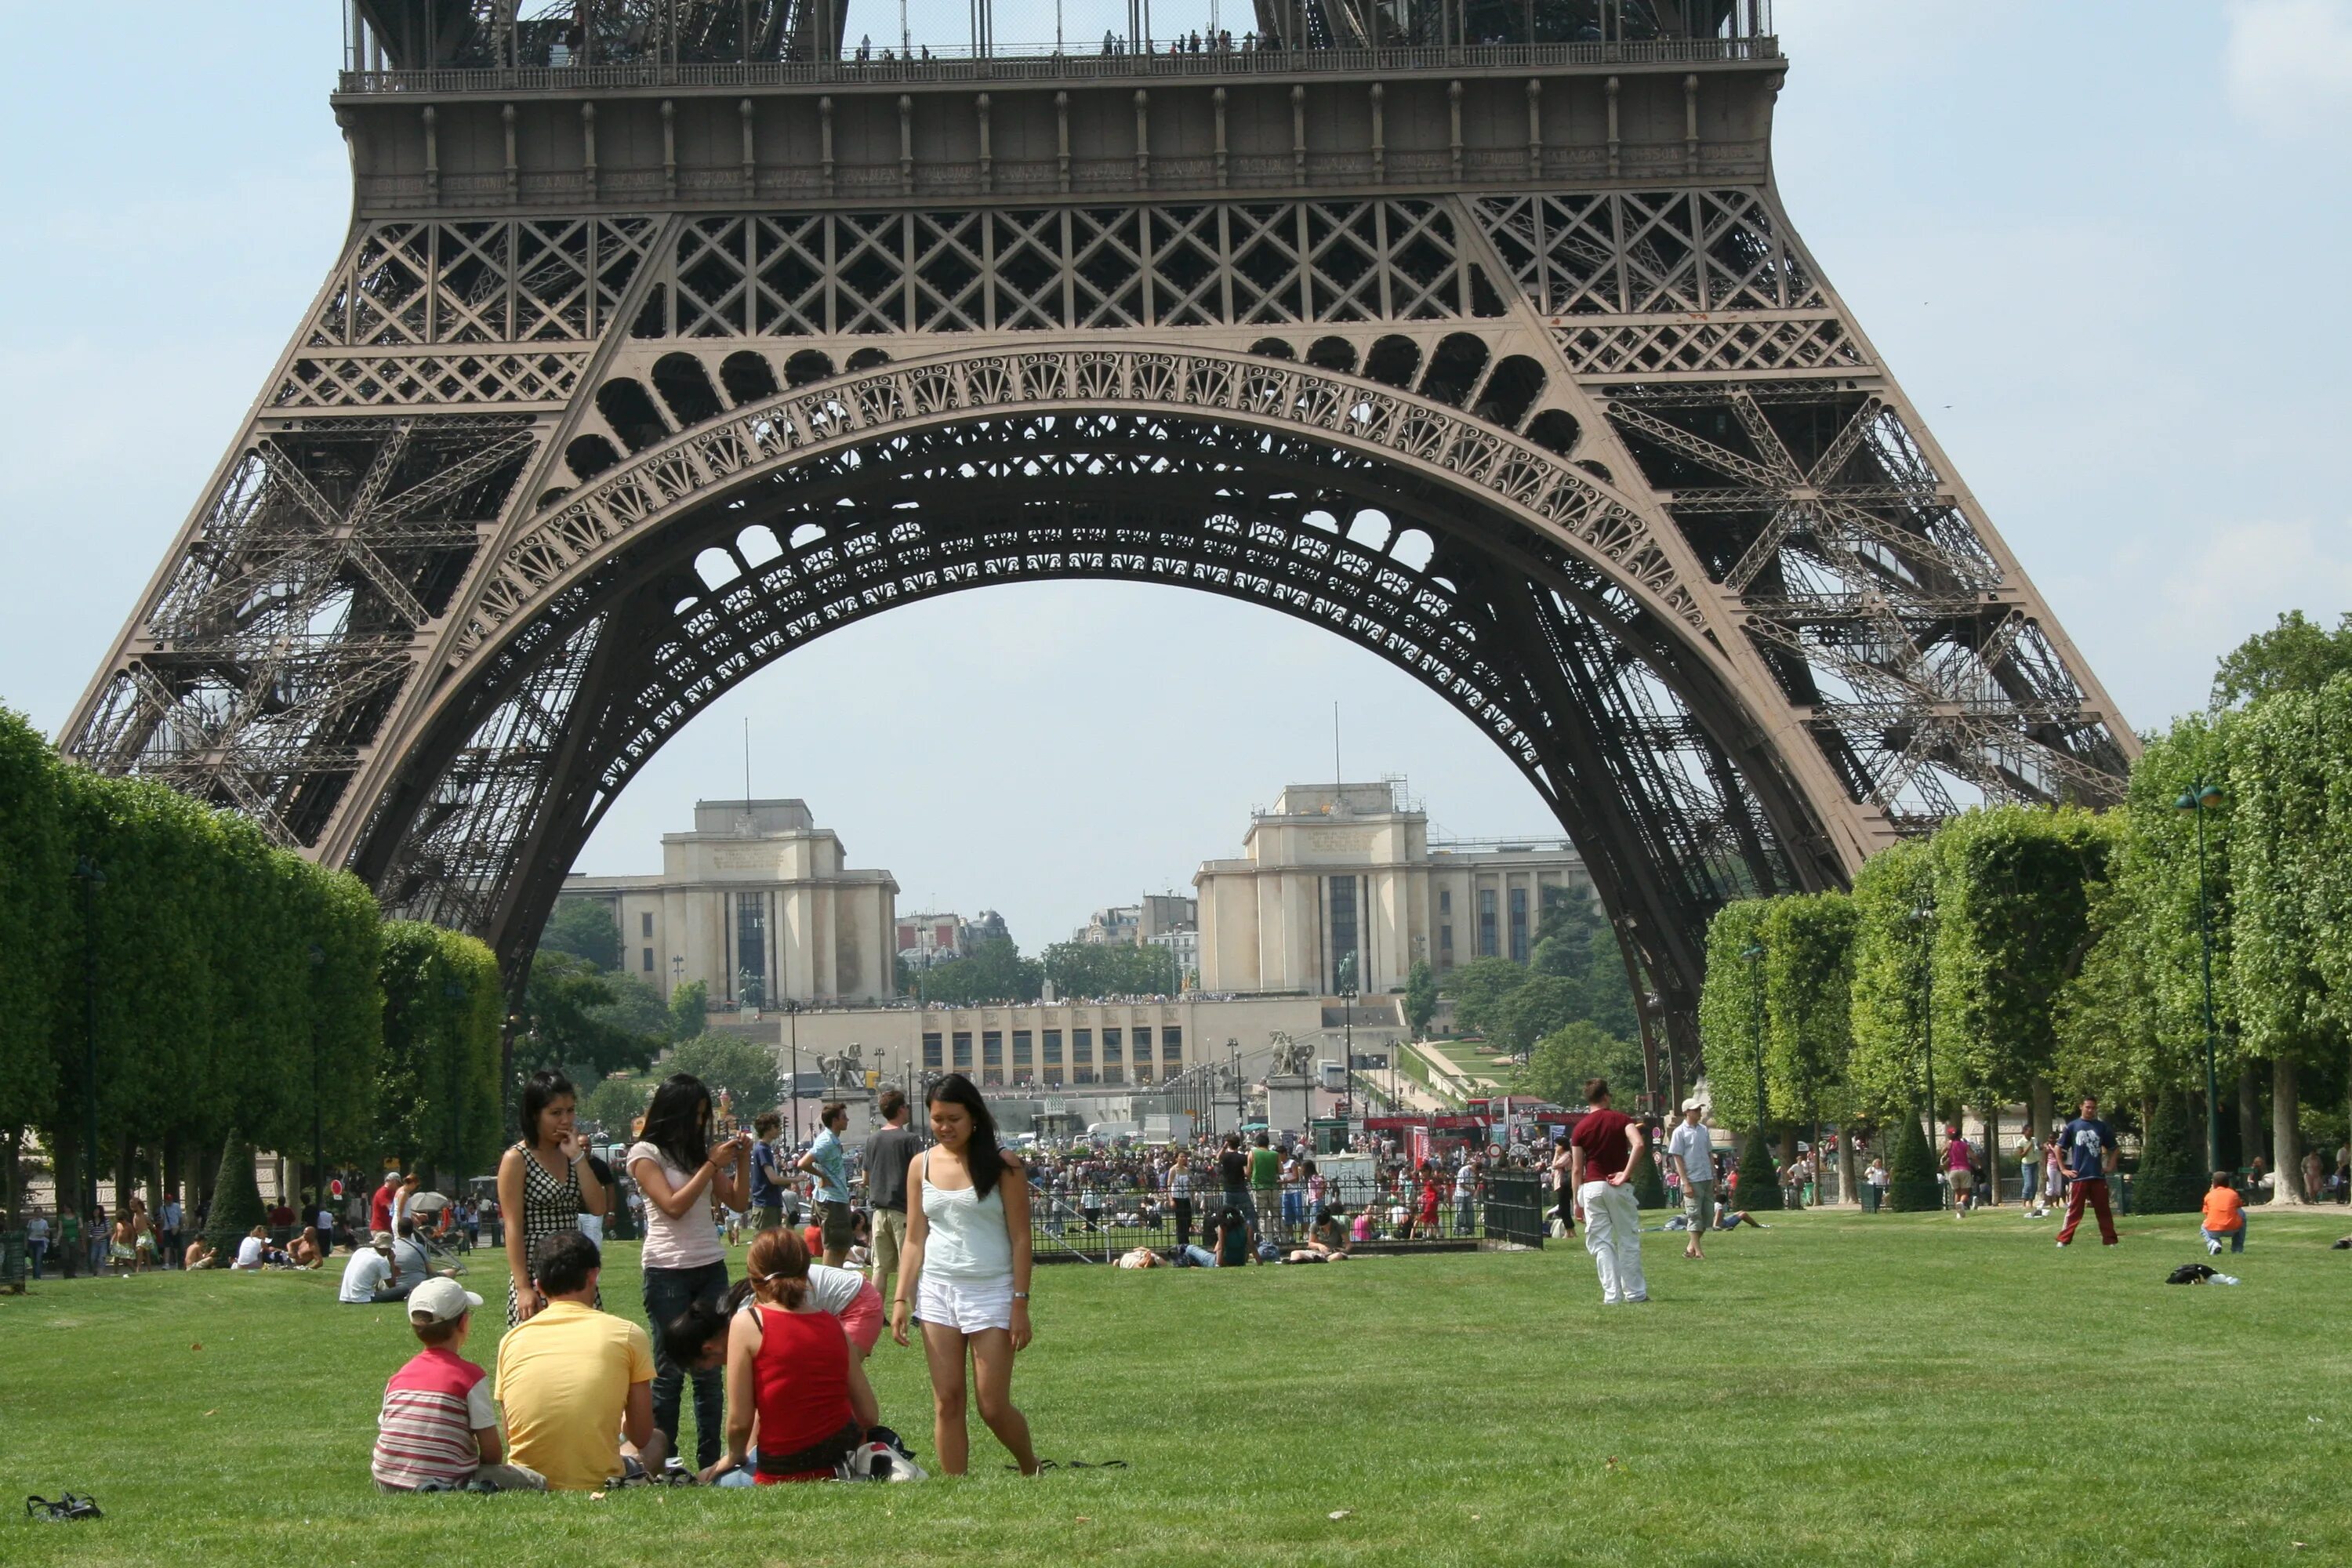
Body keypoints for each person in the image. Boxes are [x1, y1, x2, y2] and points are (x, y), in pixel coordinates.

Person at [887, 1073, 1040, 1476]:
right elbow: (915, 1238)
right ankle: (956, 1487)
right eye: (937, 1119)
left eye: (953, 1118)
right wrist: (902, 1298)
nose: (944, 1127)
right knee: (947, 1401)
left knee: (992, 1404)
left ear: (974, 1117)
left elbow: (1022, 1239)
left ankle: (1031, 1467)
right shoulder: (920, 1165)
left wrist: (1020, 1303)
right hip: (938, 1290)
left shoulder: (1005, 1165)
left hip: (992, 1290)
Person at [628, 1073, 749, 1474]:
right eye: (694, 1115)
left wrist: (741, 1162)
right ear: (673, 1112)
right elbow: (673, 1205)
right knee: (669, 1368)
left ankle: (712, 1461)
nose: (700, 1124)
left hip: (709, 1265)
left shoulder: (699, 1154)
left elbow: (738, 1200)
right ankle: (663, 1457)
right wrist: (711, 1164)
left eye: (704, 1116)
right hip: (667, 1270)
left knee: (711, 1369)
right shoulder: (645, 1153)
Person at [701, 1227, 881, 1486]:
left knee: (707, 1479)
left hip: (779, 1469)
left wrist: (733, 1456)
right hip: (837, 1466)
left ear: (753, 1280)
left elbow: (740, 1422)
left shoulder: (746, 1324)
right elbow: (868, 1415)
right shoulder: (833, 1325)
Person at [495, 1231, 665, 1490]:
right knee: (657, 1441)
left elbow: (511, 1433)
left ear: (539, 1286)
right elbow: (641, 1435)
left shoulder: (511, 1340)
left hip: (529, 1480)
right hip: (602, 1479)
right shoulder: (627, 1334)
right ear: (593, 1275)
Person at [372, 1277, 546, 1493]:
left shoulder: (398, 1377)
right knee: (535, 1480)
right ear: (463, 1323)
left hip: (387, 1482)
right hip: (447, 1482)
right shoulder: (469, 1377)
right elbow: (491, 1452)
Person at [497, 1069, 610, 1327]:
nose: (566, 1119)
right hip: (537, 1271)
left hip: (575, 1269)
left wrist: (579, 1158)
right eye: (556, 1113)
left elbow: (598, 1206)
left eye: (570, 1110)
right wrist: (523, 1287)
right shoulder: (517, 1159)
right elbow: (513, 1226)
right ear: (535, 1114)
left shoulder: (571, 1155)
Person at [1568, 1078, 1647, 1305]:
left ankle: (1612, 1295)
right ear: (1605, 1096)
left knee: (1601, 1242)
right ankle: (1635, 1293)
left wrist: (1576, 1202)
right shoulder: (1622, 1119)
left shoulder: (1580, 1128)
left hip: (1592, 1187)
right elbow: (1639, 1145)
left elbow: (1576, 1168)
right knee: (1627, 1239)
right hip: (1618, 1185)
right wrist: (1625, 1172)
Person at [866, 1087, 921, 1315]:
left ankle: (875, 1314)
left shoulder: (873, 1139)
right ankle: (918, 1311)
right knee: (910, 1264)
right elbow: (920, 1173)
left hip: (879, 1211)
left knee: (880, 1267)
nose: (908, 1110)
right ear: (900, 1109)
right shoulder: (910, 1139)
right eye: (906, 1106)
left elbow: (867, 1177)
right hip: (903, 1209)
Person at [2056, 1096, 2120, 1247]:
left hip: (2097, 1175)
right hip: (2079, 1176)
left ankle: (2110, 1240)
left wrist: (2110, 1166)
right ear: (2081, 1107)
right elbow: (2059, 1147)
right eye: (2088, 1107)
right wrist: (2063, 1169)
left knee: (2103, 1209)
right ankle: (2064, 1240)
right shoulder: (2073, 1126)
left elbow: (2114, 1148)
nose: (2090, 1110)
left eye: (2093, 1108)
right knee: (2075, 1210)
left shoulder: (2101, 1127)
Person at [799, 1102, 854, 1268]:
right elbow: (803, 1163)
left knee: (842, 1245)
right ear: (835, 1121)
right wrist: (822, 1176)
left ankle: (834, 1278)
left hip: (837, 1198)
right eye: (844, 1117)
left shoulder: (832, 1140)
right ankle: (827, 1282)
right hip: (830, 1200)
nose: (848, 1120)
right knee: (832, 1246)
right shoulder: (826, 1141)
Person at [1667, 1099, 1715, 1260]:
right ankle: (1698, 1251)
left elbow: (1709, 1154)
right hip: (1692, 1179)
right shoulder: (1679, 1132)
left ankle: (1690, 1247)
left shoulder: (1703, 1130)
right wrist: (1685, 1182)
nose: (1699, 1112)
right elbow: (1677, 1157)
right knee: (1694, 1216)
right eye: (1695, 1110)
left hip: (1706, 1177)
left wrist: (1714, 1176)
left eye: (1699, 1109)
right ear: (1687, 1112)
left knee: (1708, 1217)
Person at [341, 1230, 412, 1302]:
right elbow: (392, 1285)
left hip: (346, 1296)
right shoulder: (381, 1261)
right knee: (404, 1288)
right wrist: (391, 1261)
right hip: (362, 1298)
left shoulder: (360, 1251)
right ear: (387, 1249)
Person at [750, 1111, 787, 1232]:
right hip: (765, 1205)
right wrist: (795, 1179)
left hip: (771, 1203)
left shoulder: (766, 1149)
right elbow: (773, 1179)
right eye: (776, 1127)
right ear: (768, 1128)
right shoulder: (762, 1150)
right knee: (765, 1245)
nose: (779, 1130)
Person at [1181, 1204, 1252, 1268]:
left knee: (1190, 1248)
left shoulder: (1222, 1228)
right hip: (1240, 1262)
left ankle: (1182, 1254)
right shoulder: (1246, 1228)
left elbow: (1220, 1248)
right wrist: (1259, 1263)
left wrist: (1217, 1265)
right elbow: (1252, 1246)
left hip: (1222, 1262)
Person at [1248, 1131, 1282, 1245]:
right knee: (1276, 1214)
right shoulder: (1275, 1154)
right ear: (1268, 1143)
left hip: (1259, 1187)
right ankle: (1282, 1238)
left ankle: (1267, 1240)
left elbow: (1248, 1171)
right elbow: (1281, 1170)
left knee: (1262, 1215)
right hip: (1273, 1186)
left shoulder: (1253, 1153)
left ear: (1257, 1144)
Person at [2201, 1171, 2247, 1255]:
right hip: (2233, 1229)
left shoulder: (2209, 1195)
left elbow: (2206, 1212)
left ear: (2213, 1183)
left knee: (2203, 1226)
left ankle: (2214, 1243)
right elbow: (2239, 1205)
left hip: (2213, 1230)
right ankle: (2237, 1248)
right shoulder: (2233, 1194)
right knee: (2241, 1213)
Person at [1217, 1133, 1250, 1239]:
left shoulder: (1225, 1157)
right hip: (1241, 1189)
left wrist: (1224, 1146)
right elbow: (1246, 1173)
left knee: (1226, 1214)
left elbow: (1218, 1157)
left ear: (1228, 1144)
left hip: (1228, 1189)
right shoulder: (1242, 1157)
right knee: (1249, 1215)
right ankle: (1250, 1235)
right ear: (1238, 1145)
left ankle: (1226, 1236)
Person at [1944, 1127, 1975, 1216]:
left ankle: (1958, 1213)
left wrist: (1947, 1147)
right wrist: (1978, 1163)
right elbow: (1973, 1156)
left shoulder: (1949, 1144)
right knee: (1965, 1192)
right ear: (1960, 1135)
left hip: (1953, 1170)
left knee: (1957, 1192)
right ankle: (1961, 1203)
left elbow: (1942, 1152)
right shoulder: (1964, 1145)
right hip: (1964, 1169)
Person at [1454, 1156, 1479, 1236]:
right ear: (1474, 1168)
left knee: (1470, 1212)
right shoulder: (1464, 1170)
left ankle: (1470, 1228)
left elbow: (1475, 1181)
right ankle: (1457, 1228)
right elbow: (1462, 1185)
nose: (1475, 1173)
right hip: (1460, 1194)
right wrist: (1473, 1191)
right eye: (1476, 1171)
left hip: (1468, 1195)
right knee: (1460, 1211)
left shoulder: (1473, 1172)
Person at [372, 1171, 401, 1237]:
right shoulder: (383, 1192)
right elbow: (392, 1209)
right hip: (380, 1229)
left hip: (386, 1228)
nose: (398, 1187)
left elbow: (399, 1206)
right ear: (393, 1181)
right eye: (398, 1184)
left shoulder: (391, 1192)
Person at [26, 1210, 48, 1279]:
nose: (38, 1213)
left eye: (39, 1212)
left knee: (38, 1259)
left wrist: (41, 1234)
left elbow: (47, 1233)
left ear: (41, 1213)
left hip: (40, 1241)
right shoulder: (31, 1222)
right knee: (33, 1260)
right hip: (31, 1241)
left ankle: (38, 1276)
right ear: (34, 1213)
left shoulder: (44, 1222)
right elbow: (28, 1232)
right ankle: (35, 1275)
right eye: (37, 1212)